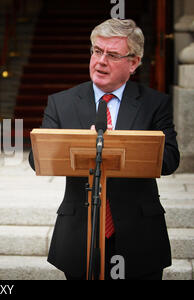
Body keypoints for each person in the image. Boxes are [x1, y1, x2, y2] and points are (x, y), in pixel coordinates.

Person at [29, 19, 179, 280]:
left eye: (111, 55)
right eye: (97, 51)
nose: (100, 61)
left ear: (133, 63)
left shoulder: (155, 104)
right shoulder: (61, 103)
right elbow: (38, 158)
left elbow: (170, 159)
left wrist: (114, 147)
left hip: (139, 231)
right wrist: (81, 146)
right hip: (80, 230)